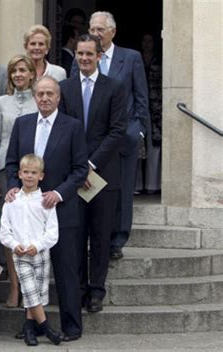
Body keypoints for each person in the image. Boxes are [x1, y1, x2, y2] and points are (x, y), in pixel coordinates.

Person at [5, 76, 88, 341]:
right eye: (40, 94)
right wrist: (11, 187)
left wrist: (59, 193)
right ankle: (30, 326)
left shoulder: (73, 127)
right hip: (27, 211)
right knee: (30, 273)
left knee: (65, 271)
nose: (44, 98)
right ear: (34, 96)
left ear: (58, 97)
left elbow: (80, 170)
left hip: (60, 209)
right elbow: (10, 164)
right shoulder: (23, 124)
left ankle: (71, 327)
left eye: (49, 94)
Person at [72, 11, 149, 260]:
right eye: (92, 29)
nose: (95, 33)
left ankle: (117, 240)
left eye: (100, 30)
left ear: (112, 32)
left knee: (122, 192)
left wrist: (138, 129)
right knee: (89, 188)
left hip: (122, 137)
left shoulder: (131, 58)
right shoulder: (81, 58)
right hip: (91, 138)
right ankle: (92, 238)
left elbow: (141, 97)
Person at [59, 34, 127, 313]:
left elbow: (117, 130)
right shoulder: (65, 87)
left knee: (100, 235)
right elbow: (61, 128)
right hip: (74, 175)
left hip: (103, 174)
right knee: (76, 236)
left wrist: (92, 163)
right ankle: (79, 289)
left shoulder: (114, 87)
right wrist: (78, 166)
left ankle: (97, 291)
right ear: (75, 55)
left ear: (99, 56)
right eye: (80, 54)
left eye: (90, 54)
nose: (84, 58)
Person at [0, 54, 37, 308]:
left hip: (32, 170)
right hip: (5, 171)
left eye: (22, 70)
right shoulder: (1, 102)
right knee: (9, 229)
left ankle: (32, 284)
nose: (18, 75)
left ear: (31, 74)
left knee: (29, 228)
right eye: (14, 71)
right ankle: (15, 286)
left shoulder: (39, 99)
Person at [0, 154, 62, 346]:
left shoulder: (45, 201)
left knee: (37, 292)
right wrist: (13, 245)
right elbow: (4, 231)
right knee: (29, 289)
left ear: (41, 176)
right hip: (21, 254)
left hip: (40, 253)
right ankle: (46, 328)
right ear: (19, 174)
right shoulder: (12, 201)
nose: (29, 176)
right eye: (25, 172)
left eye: (33, 173)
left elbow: (52, 232)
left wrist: (38, 246)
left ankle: (29, 328)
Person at [135, 32, 162, 194]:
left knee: (154, 146)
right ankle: (136, 185)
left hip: (156, 107)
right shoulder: (135, 60)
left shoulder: (159, 59)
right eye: (144, 40)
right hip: (139, 107)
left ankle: (153, 185)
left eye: (150, 40)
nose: (147, 43)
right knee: (137, 145)